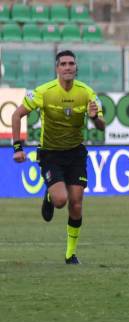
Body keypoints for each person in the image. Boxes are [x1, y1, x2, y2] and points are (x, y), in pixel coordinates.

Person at [11, 50, 105, 265]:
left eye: (71, 63)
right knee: (61, 201)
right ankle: (50, 195)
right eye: (63, 64)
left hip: (75, 153)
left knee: (77, 205)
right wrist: (17, 147)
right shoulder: (44, 92)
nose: (68, 67)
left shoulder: (87, 93)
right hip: (50, 153)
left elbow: (101, 125)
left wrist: (94, 118)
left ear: (76, 68)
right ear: (57, 68)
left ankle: (70, 254)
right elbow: (16, 115)